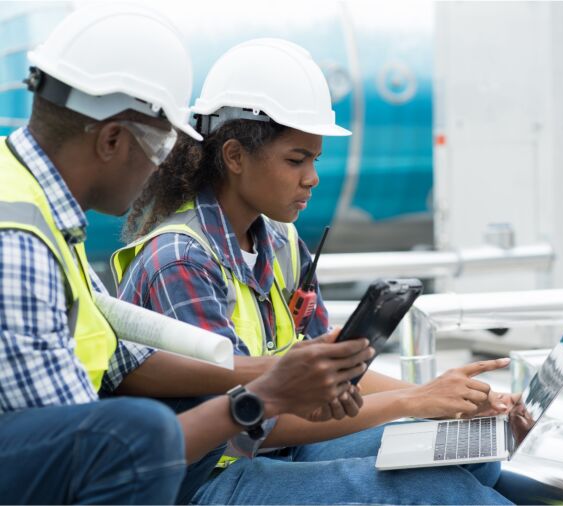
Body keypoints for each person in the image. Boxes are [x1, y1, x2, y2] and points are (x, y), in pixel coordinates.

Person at [115, 38, 513, 504]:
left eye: (314, 159)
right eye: (295, 160)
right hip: (209, 480)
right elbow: (249, 420)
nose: (312, 178)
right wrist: (414, 402)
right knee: (434, 487)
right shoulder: (181, 262)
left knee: (467, 451)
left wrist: (446, 399)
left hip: (278, 451)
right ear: (235, 157)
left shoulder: (282, 243)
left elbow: (330, 374)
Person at [0, 8, 373, 505]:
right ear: (112, 139)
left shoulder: (38, 210)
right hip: (211, 472)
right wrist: (270, 393)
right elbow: (93, 453)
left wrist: (278, 373)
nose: (162, 165)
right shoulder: (18, 243)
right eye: (160, 144)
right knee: (141, 425)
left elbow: (120, 362)